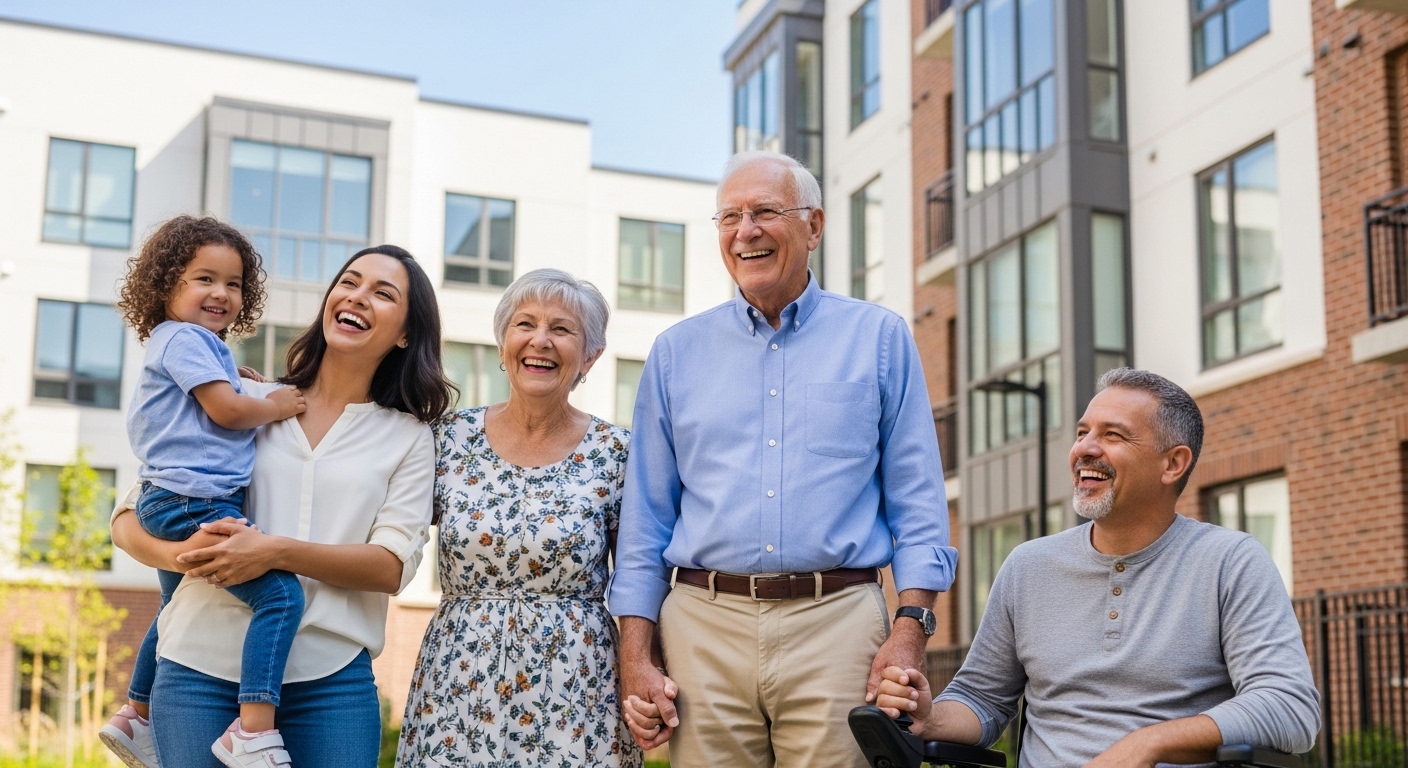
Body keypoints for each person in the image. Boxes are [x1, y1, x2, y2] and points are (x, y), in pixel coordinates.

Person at [609, 150, 957, 768]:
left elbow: (919, 505)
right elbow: (645, 524)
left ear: (813, 226)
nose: (746, 231)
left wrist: (910, 631)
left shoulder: (879, 339)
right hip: (702, 629)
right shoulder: (674, 354)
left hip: (838, 624)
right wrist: (635, 656)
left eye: (765, 212)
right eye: (730, 217)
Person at [110, 244, 451, 768]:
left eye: (383, 293)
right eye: (349, 282)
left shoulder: (408, 437)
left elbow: (390, 567)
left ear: (406, 333)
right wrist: (188, 556)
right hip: (198, 667)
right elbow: (129, 519)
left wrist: (272, 552)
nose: (358, 296)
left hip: (330, 680)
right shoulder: (250, 401)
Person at [874, 368, 1321, 767]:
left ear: (1173, 464)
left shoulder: (1230, 561)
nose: (1084, 449)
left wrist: (1149, 745)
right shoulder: (1028, 566)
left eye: (1113, 436)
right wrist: (931, 717)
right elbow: (981, 699)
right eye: (1082, 432)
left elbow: (1290, 707)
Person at [396, 268, 641, 767]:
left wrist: (643, 668)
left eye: (562, 329)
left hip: (577, 684)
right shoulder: (448, 438)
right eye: (524, 324)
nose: (540, 341)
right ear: (503, 344)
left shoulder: (617, 452)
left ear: (590, 357)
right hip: (460, 677)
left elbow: (638, 574)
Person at [102, 215, 308, 768]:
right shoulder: (186, 338)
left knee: (176, 605)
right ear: (166, 286)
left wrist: (243, 382)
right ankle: (253, 730)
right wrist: (275, 405)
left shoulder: (189, 343)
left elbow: (219, 396)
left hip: (170, 496)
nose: (221, 293)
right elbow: (226, 411)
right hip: (194, 501)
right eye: (204, 279)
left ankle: (136, 714)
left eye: (233, 283)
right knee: (282, 597)